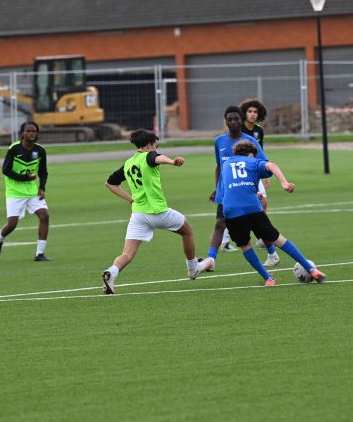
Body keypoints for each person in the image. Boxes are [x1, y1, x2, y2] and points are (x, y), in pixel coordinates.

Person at [102, 129, 200, 295]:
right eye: (156, 145)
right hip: (158, 212)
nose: (156, 149)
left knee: (127, 254)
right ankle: (192, 269)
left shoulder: (128, 163)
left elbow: (109, 183)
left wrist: (130, 199)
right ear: (149, 145)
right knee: (187, 231)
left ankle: (112, 272)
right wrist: (172, 162)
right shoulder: (149, 156)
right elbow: (157, 158)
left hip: (139, 215)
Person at [221, 140, 325, 285]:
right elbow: (272, 165)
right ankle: (311, 269)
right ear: (251, 154)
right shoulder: (253, 162)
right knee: (278, 239)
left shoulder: (226, 164)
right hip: (252, 208)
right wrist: (284, 182)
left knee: (245, 246)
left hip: (231, 210)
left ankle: (268, 278)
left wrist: (253, 193)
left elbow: (234, 187)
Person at [198, 106, 266, 273]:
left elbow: (262, 163)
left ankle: (272, 253)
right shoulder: (219, 141)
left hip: (245, 190)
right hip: (226, 191)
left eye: (236, 119)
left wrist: (258, 183)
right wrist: (217, 188)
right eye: (230, 119)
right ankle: (211, 259)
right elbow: (219, 166)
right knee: (220, 224)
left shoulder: (250, 140)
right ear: (225, 121)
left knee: (256, 226)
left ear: (241, 120)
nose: (233, 122)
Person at [0, 121, 50, 261]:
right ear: (22, 133)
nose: (32, 133)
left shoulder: (40, 150)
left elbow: (43, 172)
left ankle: (39, 254)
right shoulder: (14, 149)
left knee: (44, 216)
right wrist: (24, 177)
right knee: (12, 224)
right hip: (14, 192)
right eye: (28, 131)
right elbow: (5, 170)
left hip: (32, 191)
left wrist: (42, 187)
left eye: (34, 131)